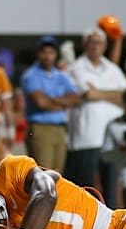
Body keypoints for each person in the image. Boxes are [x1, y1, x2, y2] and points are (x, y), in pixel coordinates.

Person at [64, 27, 126, 208]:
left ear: (105, 46)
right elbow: (87, 95)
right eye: (92, 42)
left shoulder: (112, 68)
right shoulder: (76, 68)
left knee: (111, 189)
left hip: (112, 140)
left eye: (99, 42)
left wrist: (97, 92)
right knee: (87, 188)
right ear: (85, 44)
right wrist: (113, 94)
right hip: (87, 139)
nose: (95, 46)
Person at [20, 35, 82, 173]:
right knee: (44, 175)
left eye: (51, 52)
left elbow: (76, 99)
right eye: (44, 52)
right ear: (38, 53)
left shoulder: (60, 75)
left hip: (59, 129)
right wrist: (64, 102)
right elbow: (41, 103)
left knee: (57, 176)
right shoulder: (31, 75)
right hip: (40, 128)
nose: (47, 56)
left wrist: (53, 99)